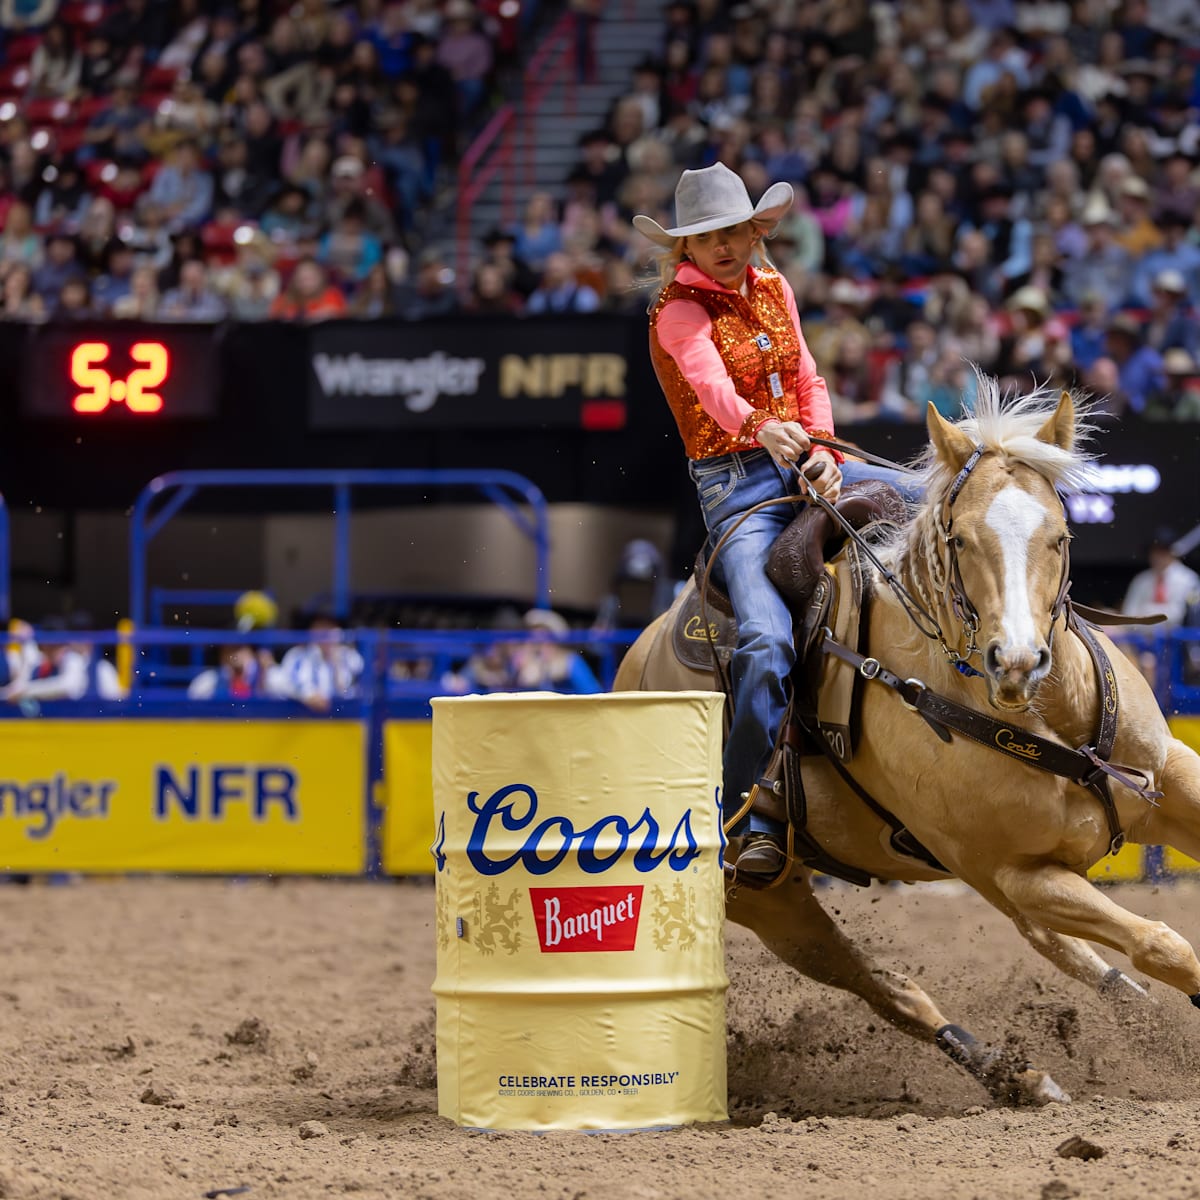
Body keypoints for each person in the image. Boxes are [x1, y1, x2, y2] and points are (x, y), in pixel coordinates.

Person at [633, 162, 914, 884]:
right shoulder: (676, 311)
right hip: (737, 486)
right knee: (763, 638)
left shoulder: (773, 286)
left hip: (804, 458)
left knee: (943, 496)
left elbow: (809, 378)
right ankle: (743, 812)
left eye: (734, 231)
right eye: (709, 237)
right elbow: (710, 386)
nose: (725, 246)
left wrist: (824, 453)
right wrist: (761, 427)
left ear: (755, 230)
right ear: (686, 247)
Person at [1121, 529, 1200, 630]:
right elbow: (1128, 614)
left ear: (1172, 552)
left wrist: (1146, 610)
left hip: (1178, 637)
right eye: (1154, 551)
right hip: (1140, 635)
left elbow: (1179, 615)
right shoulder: (1141, 580)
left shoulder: (1188, 579)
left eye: (1162, 551)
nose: (1157, 556)